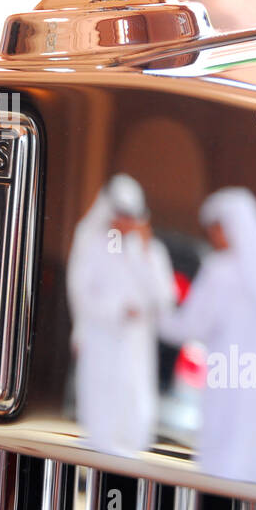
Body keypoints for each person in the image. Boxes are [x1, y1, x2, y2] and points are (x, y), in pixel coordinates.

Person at [160, 187, 256, 486]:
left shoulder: (221, 271)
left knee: (222, 468)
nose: (213, 238)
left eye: (215, 229)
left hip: (227, 385)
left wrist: (157, 313)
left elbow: (191, 326)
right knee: (254, 472)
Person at [67, 174, 177, 456]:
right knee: (99, 404)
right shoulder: (92, 243)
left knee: (134, 402)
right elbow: (80, 293)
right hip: (100, 338)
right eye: (122, 215)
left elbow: (165, 296)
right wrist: (117, 308)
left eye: (132, 216)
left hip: (135, 345)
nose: (126, 222)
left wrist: (144, 250)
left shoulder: (152, 251)